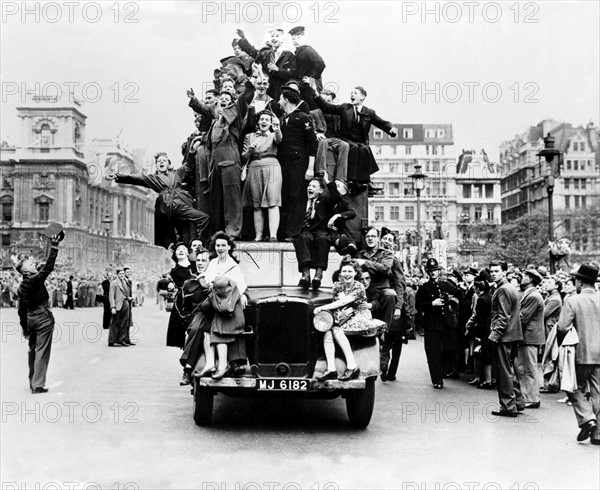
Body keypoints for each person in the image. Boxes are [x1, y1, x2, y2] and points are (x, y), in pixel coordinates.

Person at [106, 153, 210, 248]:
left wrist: (192, 149)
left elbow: (189, 164)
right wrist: (118, 176)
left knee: (200, 221)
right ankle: (186, 247)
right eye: (159, 161)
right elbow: (137, 179)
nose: (161, 162)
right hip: (166, 208)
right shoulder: (153, 178)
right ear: (156, 166)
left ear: (169, 164)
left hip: (180, 204)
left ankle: (199, 244)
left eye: (164, 160)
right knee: (174, 236)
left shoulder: (178, 173)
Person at [557, 264, 600, 445]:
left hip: (580, 353)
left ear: (580, 281)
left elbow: (562, 327)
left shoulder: (572, 300)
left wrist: (561, 345)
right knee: (599, 392)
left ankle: (587, 418)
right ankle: (598, 435)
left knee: (573, 387)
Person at [197, 232, 249, 380]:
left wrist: (242, 294)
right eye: (218, 245)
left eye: (223, 245)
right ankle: (213, 364)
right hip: (215, 302)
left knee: (221, 332)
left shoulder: (233, 266)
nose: (220, 248)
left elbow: (240, 284)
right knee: (211, 330)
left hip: (227, 304)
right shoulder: (213, 263)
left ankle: (222, 366)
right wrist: (208, 280)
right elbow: (207, 279)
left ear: (228, 247)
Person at [16, 231, 64, 393]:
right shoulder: (34, 279)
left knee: (32, 350)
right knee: (42, 350)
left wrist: (24, 328)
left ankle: (32, 380)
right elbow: (48, 267)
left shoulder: (22, 286)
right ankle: (38, 384)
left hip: (31, 318)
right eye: (29, 264)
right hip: (43, 316)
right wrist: (55, 247)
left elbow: (21, 310)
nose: (33, 264)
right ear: (25, 270)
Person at [313, 260, 371, 382]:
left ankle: (352, 365)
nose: (347, 274)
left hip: (358, 315)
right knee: (328, 330)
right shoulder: (337, 286)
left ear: (355, 273)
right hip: (343, 316)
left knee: (336, 330)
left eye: (350, 271)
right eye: (344, 271)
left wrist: (322, 308)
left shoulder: (358, 286)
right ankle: (331, 369)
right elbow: (337, 306)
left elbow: (343, 302)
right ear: (340, 273)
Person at [277, 83, 318, 239]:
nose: (279, 101)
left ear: (286, 100)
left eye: (280, 98)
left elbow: (312, 143)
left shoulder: (303, 117)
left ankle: (293, 232)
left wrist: (310, 168)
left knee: (296, 196)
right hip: (283, 162)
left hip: (298, 162)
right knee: (285, 195)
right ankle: (283, 231)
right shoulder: (282, 119)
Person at [415, 258, 462, 389]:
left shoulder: (446, 284)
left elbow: (459, 293)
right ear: (427, 272)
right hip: (431, 324)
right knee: (433, 353)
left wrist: (452, 303)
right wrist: (432, 304)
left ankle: (443, 371)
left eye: (435, 270)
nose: (433, 273)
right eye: (430, 271)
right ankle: (437, 379)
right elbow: (418, 305)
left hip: (446, 323)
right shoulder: (424, 288)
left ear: (439, 271)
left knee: (448, 350)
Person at [488, 260, 524, 417]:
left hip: (503, 336)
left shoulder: (502, 289)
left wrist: (493, 336)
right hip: (513, 335)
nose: (493, 273)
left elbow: (503, 316)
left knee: (503, 372)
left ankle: (508, 406)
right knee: (510, 370)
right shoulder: (511, 287)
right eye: (492, 271)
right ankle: (517, 402)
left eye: (496, 271)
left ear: (504, 271)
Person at [241, 110, 283, 242]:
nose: (264, 121)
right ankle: (258, 236)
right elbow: (243, 157)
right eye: (262, 119)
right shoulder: (250, 136)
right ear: (258, 122)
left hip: (272, 167)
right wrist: (250, 151)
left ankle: (273, 236)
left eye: (267, 119)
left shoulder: (274, 134)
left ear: (271, 122)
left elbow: (279, 139)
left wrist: (277, 128)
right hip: (254, 168)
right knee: (256, 204)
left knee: (273, 201)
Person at [293, 175, 340, 289]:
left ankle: (318, 274)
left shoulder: (324, 201)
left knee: (323, 239)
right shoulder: (301, 201)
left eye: (314, 186)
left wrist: (328, 181)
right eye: (309, 185)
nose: (310, 188)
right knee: (303, 238)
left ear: (320, 190)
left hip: (320, 229)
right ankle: (305, 274)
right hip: (305, 229)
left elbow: (336, 197)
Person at [236, 27, 296, 101]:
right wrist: (243, 38)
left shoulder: (289, 55)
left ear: (282, 39)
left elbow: (293, 75)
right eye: (272, 36)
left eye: (277, 36)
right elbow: (253, 52)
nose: (274, 38)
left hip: (281, 93)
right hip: (267, 93)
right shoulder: (266, 54)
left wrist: (278, 70)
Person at [514, 269, 545, 408]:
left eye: (526, 276)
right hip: (528, 336)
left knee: (528, 369)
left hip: (529, 336)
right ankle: (529, 397)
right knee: (525, 368)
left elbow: (523, 317)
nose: (523, 277)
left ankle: (532, 398)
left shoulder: (533, 296)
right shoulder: (531, 294)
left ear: (531, 279)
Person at [355, 227, 396, 329]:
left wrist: (366, 262)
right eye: (368, 236)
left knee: (390, 294)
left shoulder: (386, 253)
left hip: (381, 288)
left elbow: (385, 268)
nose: (370, 239)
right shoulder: (360, 254)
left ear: (378, 239)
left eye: (373, 236)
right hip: (365, 288)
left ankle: (383, 329)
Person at [165, 243, 196, 349]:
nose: (181, 251)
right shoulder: (174, 272)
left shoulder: (196, 266)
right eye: (178, 249)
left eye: (183, 249)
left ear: (188, 252)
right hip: (182, 301)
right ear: (175, 253)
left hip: (197, 299)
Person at [288, 26, 325, 109]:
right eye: (293, 38)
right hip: (303, 87)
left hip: (311, 88)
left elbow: (320, 63)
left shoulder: (307, 50)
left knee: (313, 110)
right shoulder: (298, 52)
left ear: (304, 38)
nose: (296, 40)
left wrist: (311, 79)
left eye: (298, 37)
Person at [108, 269, 132, 347]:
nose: (122, 275)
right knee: (115, 323)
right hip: (117, 305)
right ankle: (112, 341)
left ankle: (121, 340)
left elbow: (125, 293)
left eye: (122, 274)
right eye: (120, 274)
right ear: (117, 274)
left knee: (124, 323)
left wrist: (128, 298)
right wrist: (113, 307)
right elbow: (111, 296)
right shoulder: (113, 283)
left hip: (125, 304)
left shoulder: (124, 282)